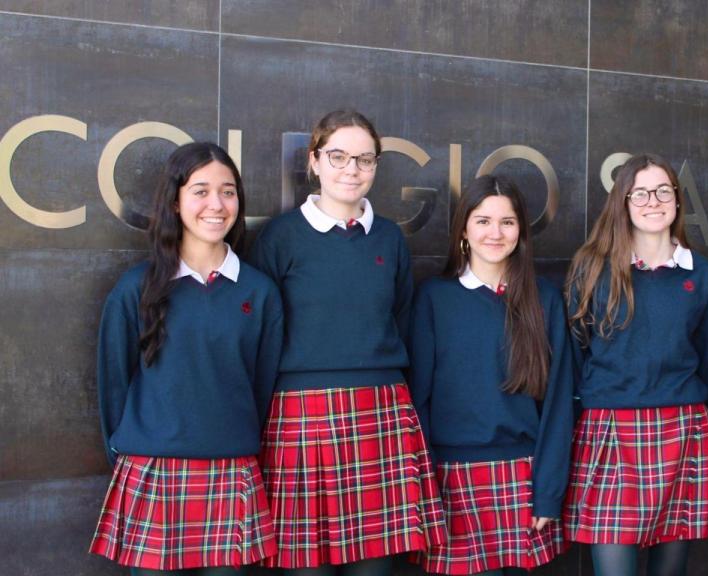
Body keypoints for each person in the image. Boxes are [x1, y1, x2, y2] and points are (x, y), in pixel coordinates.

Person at [248, 109, 445, 575]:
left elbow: (397, 318)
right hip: (299, 416)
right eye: (338, 156)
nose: (351, 169)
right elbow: (260, 336)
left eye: (364, 159)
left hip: (382, 412)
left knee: (375, 568)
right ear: (314, 162)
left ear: (376, 167)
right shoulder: (279, 237)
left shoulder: (390, 239)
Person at [90, 142, 283, 575]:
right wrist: (132, 452)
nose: (216, 204)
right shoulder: (136, 288)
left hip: (233, 474)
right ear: (175, 202)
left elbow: (262, 386)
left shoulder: (259, 291)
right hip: (152, 473)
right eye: (200, 190)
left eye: (228, 191)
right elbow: (113, 384)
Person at [563, 153, 708, 576]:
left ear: (677, 200)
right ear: (623, 202)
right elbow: (578, 352)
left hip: (681, 427)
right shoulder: (592, 268)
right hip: (611, 429)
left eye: (663, 191)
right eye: (640, 193)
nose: (653, 201)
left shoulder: (701, 275)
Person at [409, 174, 574, 575]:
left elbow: (558, 405)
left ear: (521, 231)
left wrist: (548, 493)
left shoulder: (544, 299)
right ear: (463, 229)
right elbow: (419, 402)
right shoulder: (435, 297)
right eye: (483, 221)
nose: (495, 233)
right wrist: (425, 491)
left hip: (523, 479)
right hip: (452, 482)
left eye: (507, 221)